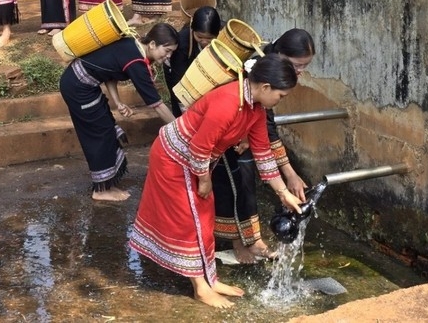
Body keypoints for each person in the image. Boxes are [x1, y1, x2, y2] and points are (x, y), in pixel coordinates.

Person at [129, 54, 303, 308]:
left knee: (205, 218)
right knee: (190, 221)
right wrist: (205, 180)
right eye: (280, 96)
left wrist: (283, 193)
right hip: (174, 159)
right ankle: (200, 287)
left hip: (198, 162)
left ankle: (210, 278)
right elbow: (200, 146)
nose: (279, 101)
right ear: (265, 87)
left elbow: (263, 152)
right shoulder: (229, 101)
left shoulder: (255, 108)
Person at [213, 29, 314, 263]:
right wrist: (289, 175)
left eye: (304, 67)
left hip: (246, 130)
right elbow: (266, 127)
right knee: (232, 184)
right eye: (297, 65)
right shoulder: (258, 70)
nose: (299, 73)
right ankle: (238, 242)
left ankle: (252, 239)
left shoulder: (270, 83)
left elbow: (264, 130)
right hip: (225, 131)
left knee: (247, 182)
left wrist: (287, 178)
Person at [59, 23, 178, 201]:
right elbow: (157, 104)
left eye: (171, 52)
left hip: (82, 84)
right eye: (167, 50)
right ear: (152, 44)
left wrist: (118, 101)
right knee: (101, 133)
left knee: (107, 126)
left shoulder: (132, 45)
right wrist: (178, 129)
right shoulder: (137, 63)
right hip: (78, 88)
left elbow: (110, 73)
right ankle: (101, 191)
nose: (168, 56)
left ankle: (107, 183)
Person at [163, 5, 222, 117]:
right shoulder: (182, 42)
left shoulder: (223, 36)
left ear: (218, 33)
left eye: (209, 38)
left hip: (205, 68)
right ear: (192, 29)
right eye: (199, 37)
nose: (204, 42)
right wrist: (184, 108)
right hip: (178, 71)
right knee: (180, 107)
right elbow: (179, 80)